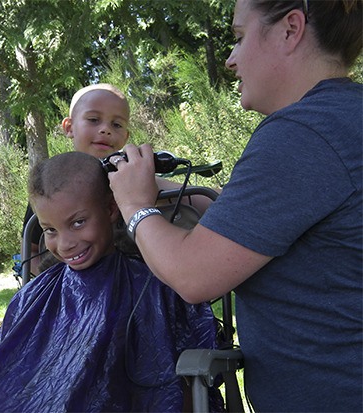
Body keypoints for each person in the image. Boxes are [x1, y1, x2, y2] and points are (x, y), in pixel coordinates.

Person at [107, 0, 362, 411]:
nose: (230, 60)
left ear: (290, 29)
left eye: (240, 38)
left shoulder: (302, 134)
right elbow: (264, 228)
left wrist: (135, 205)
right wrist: (160, 187)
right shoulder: (346, 119)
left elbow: (193, 275)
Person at [0, 152, 224, 412]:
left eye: (77, 223)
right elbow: (9, 373)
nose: (64, 244)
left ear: (112, 209)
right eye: (49, 229)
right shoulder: (35, 296)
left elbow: (181, 381)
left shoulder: (154, 285)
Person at [22, 83, 131, 275]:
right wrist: (53, 285)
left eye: (116, 124)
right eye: (94, 120)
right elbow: (29, 251)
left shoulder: (135, 181)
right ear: (69, 127)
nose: (105, 129)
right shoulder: (49, 184)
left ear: (126, 136)